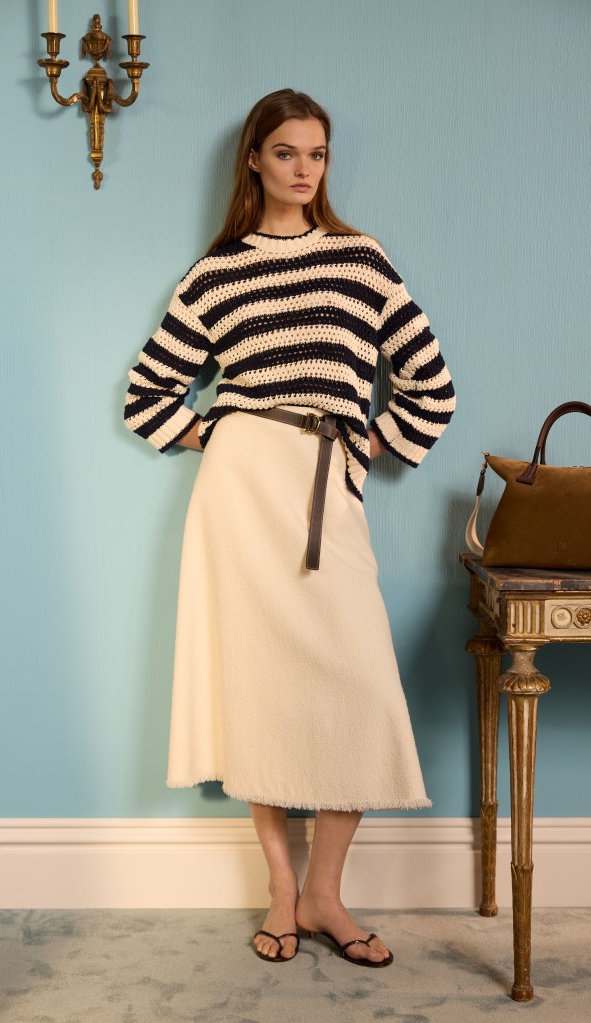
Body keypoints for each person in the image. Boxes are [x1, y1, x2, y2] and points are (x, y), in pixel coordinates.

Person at [123, 88, 456, 968]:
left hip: (324, 490)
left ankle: (325, 894)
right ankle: (283, 892)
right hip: (239, 499)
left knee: (357, 688)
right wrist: (227, 436)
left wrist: (361, 447)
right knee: (257, 691)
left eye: (317, 153)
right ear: (254, 159)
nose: (304, 168)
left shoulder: (359, 259)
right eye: (286, 152)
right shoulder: (215, 272)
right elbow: (147, 395)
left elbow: (431, 387)